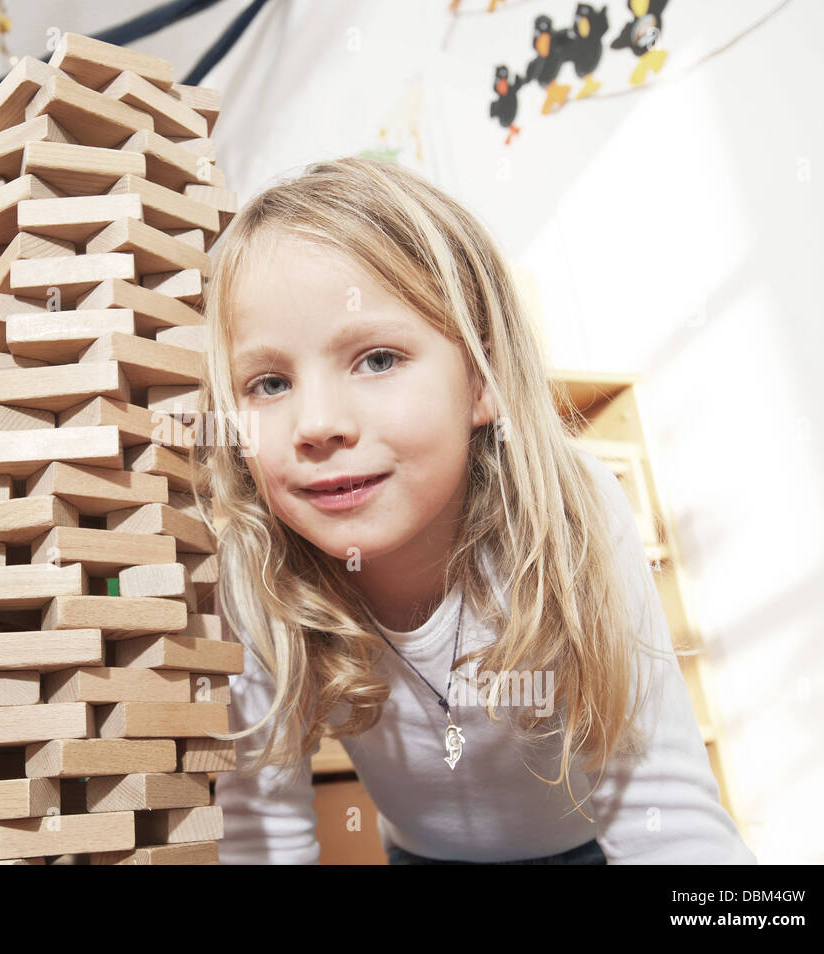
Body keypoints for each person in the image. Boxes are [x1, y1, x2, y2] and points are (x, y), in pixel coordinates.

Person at [197, 158, 756, 864]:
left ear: (482, 381)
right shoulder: (256, 568)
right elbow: (263, 833)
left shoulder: (572, 512)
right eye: (269, 382)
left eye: (376, 360)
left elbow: (666, 816)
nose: (317, 424)